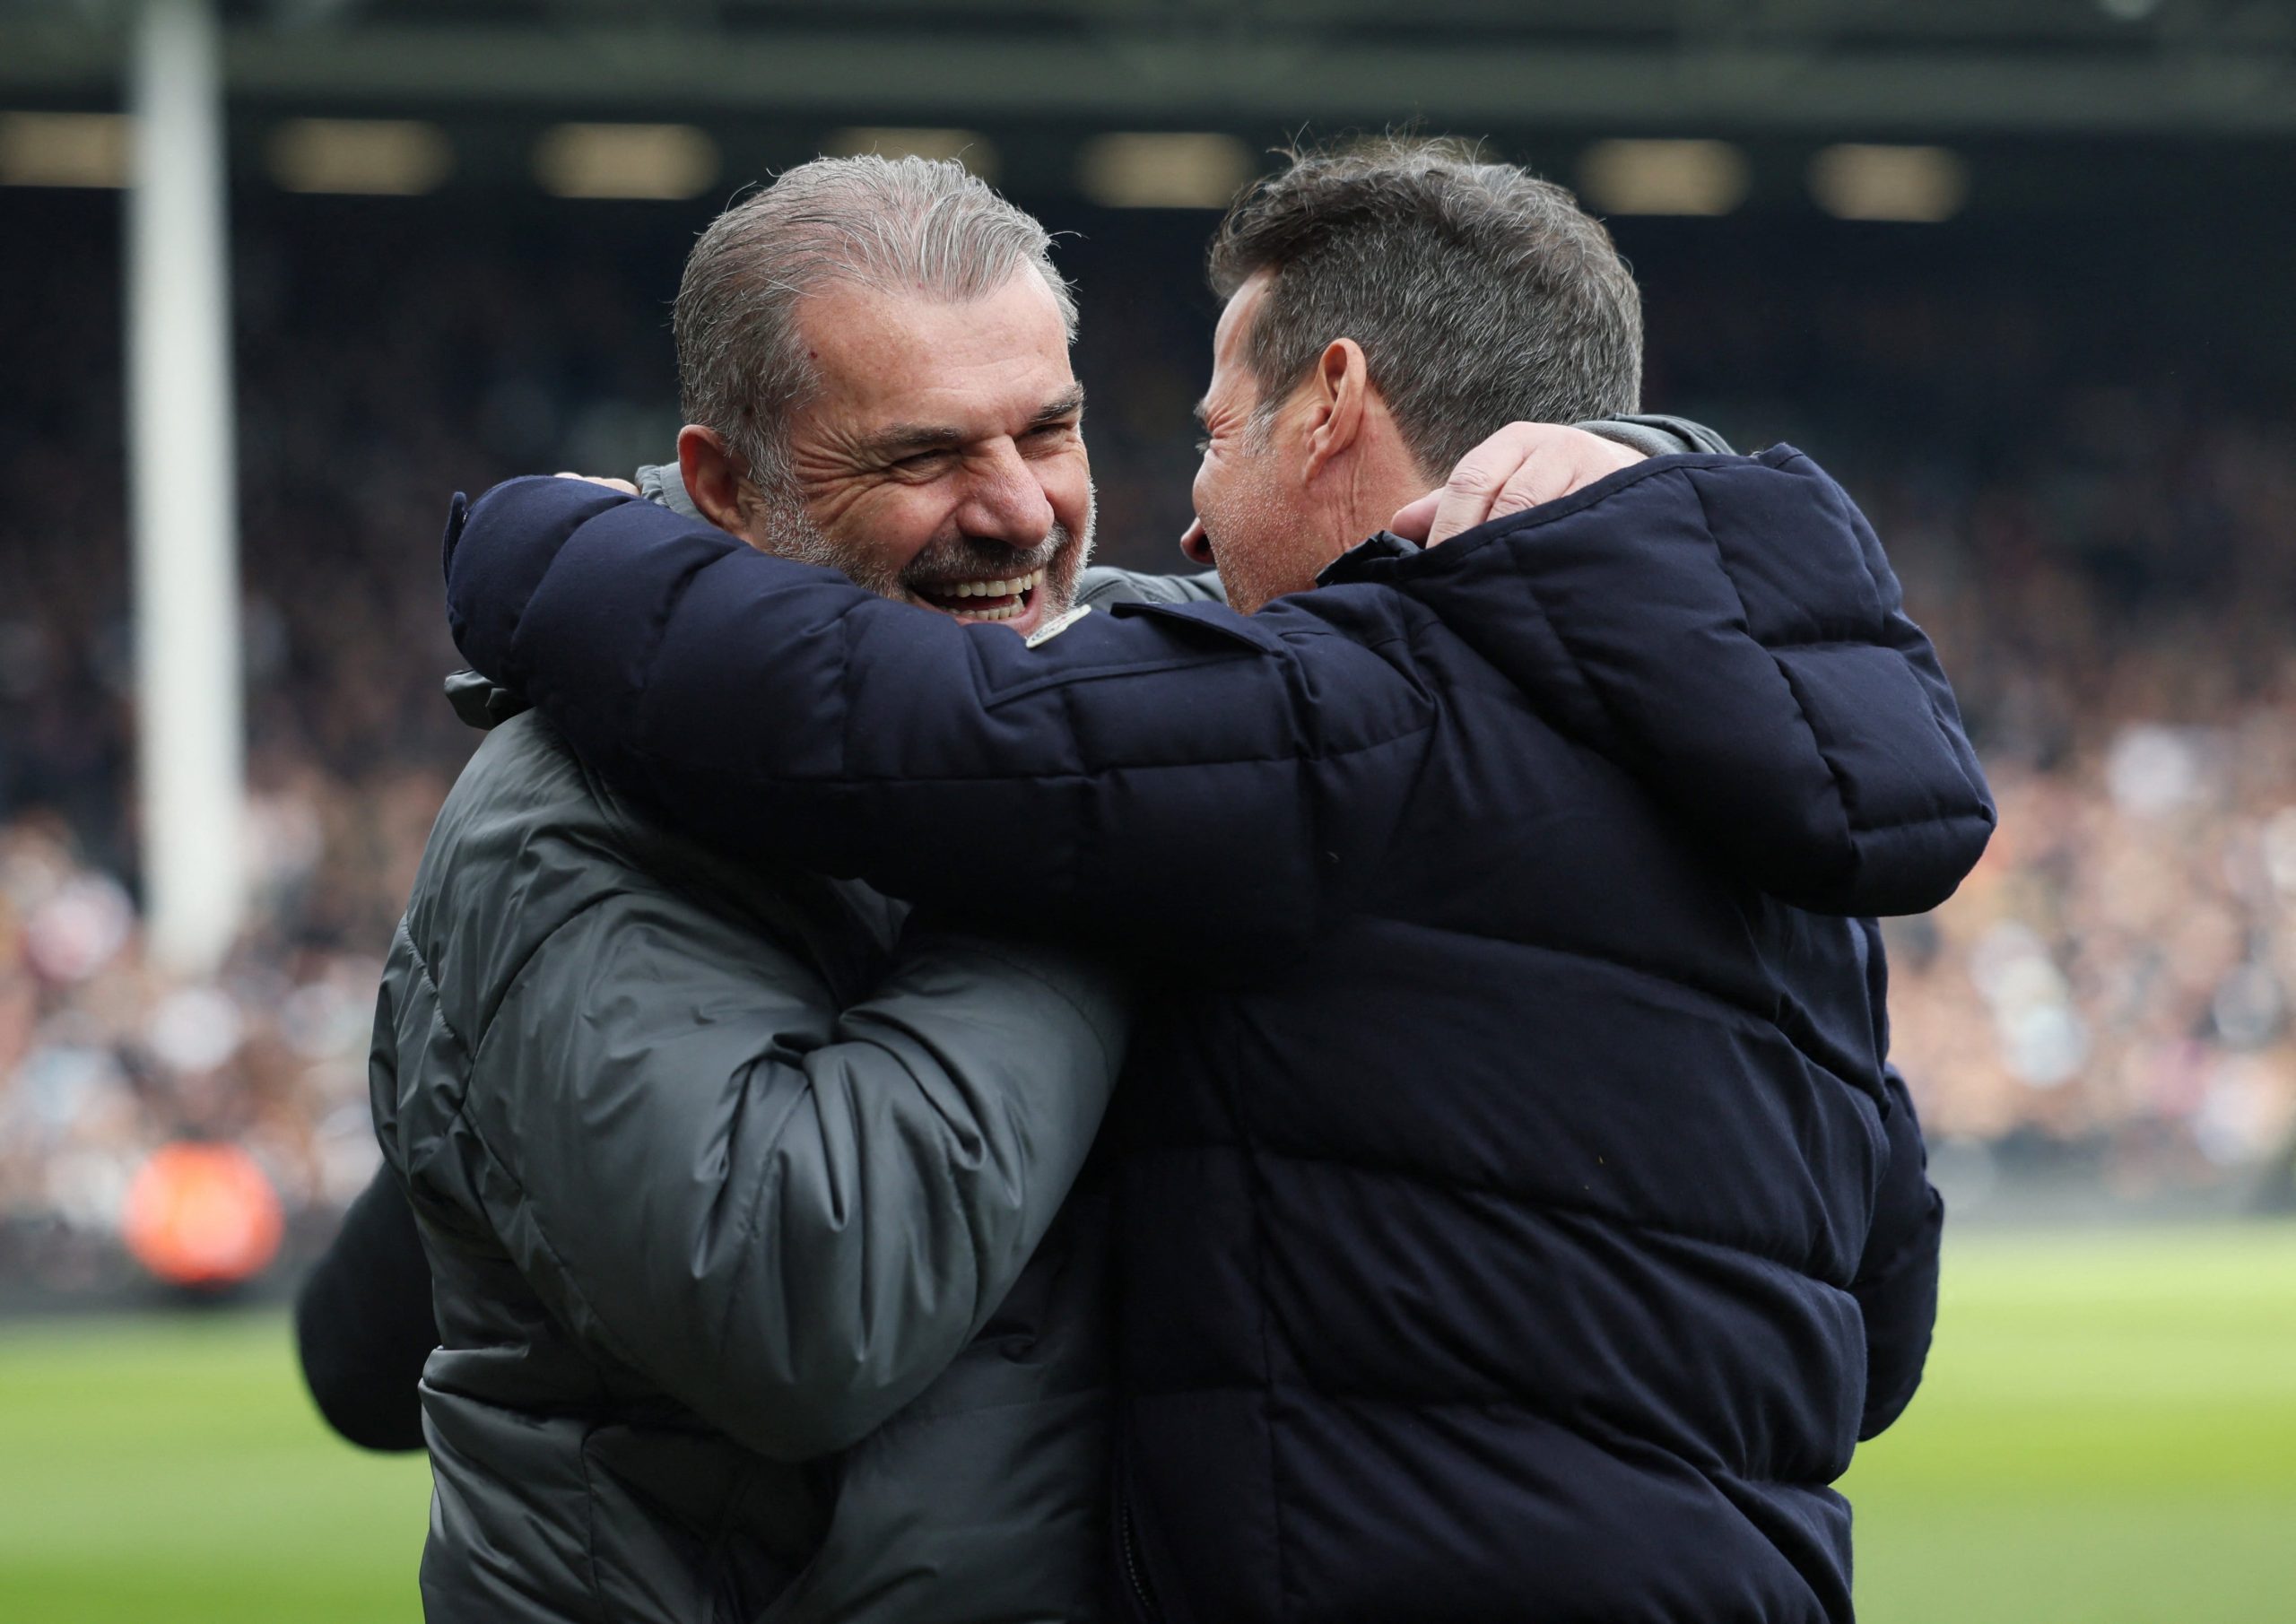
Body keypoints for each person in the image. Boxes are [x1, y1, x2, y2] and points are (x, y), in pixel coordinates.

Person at [445, 141, 1993, 1623]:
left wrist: (532, 545)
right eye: (923, 453)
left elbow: (928, 729)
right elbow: (1879, 1326)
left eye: (1198, 431)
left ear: (1331, 406)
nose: (1161, 510)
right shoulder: (1737, 770)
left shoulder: (1318, 729)